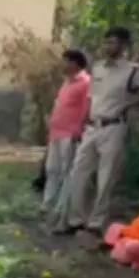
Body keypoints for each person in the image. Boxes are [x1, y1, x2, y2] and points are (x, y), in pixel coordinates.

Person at [60, 26, 139, 240]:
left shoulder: (133, 71)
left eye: (113, 42)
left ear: (124, 46)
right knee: (78, 174)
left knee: (106, 178)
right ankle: (75, 220)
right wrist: (83, 121)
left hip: (114, 128)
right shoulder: (98, 68)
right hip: (92, 127)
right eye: (106, 42)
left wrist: (134, 104)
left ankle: (95, 224)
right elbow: (92, 97)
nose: (108, 46)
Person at [42, 49, 91, 223]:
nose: (62, 65)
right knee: (52, 169)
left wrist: (79, 130)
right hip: (56, 131)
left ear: (75, 64)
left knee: (66, 170)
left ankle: (61, 207)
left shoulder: (85, 82)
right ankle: (47, 203)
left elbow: (86, 108)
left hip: (70, 133)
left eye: (66, 62)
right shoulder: (67, 82)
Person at [104, 189, 139, 271]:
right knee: (115, 227)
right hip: (137, 235)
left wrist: (128, 232)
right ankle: (119, 248)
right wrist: (128, 231)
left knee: (133, 245)